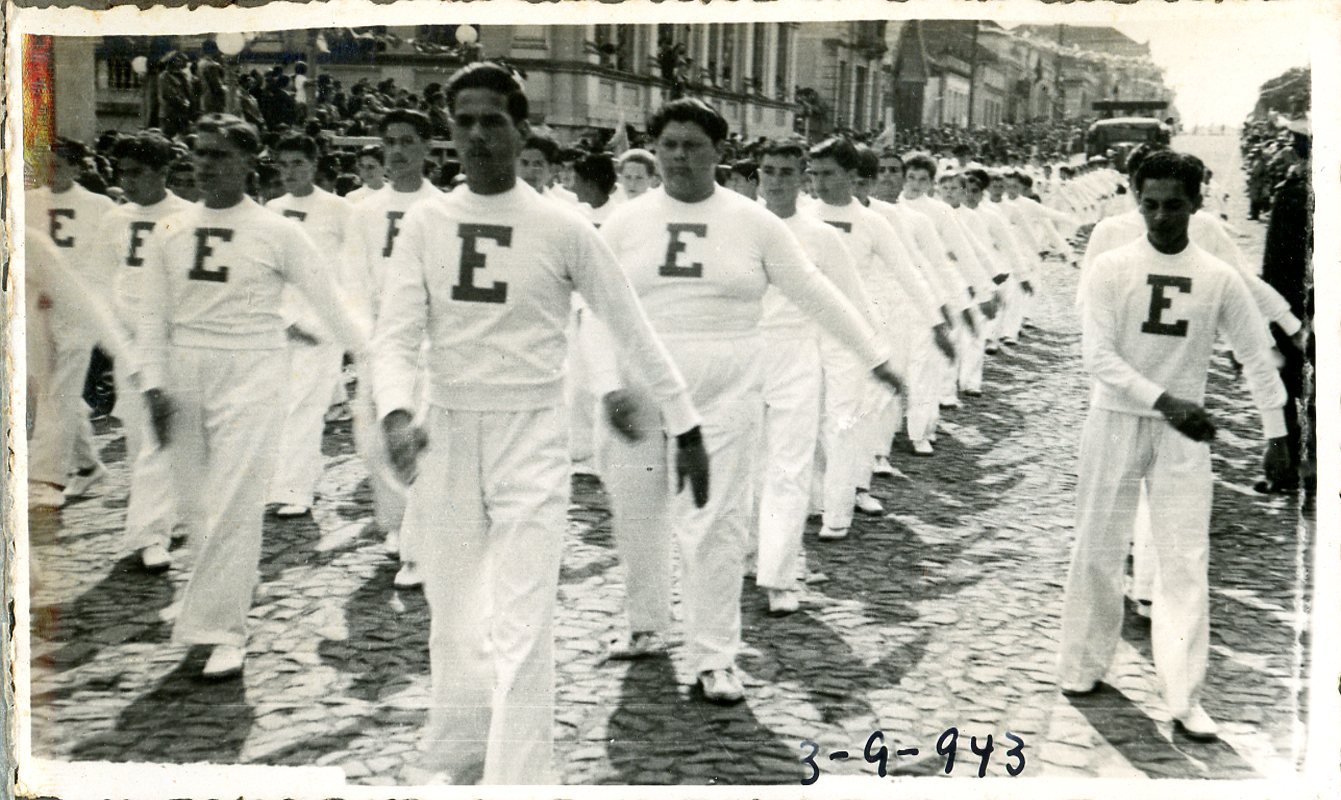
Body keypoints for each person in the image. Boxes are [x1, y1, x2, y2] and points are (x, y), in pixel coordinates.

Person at [371, 63, 707, 785]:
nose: (477, 135)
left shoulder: (561, 226)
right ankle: (460, 748)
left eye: (492, 120)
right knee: (453, 614)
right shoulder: (427, 223)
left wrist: (684, 423)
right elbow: (394, 333)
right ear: (449, 130)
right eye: (463, 121)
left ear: (522, 128)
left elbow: (631, 326)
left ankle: (517, 777)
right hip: (448, 427)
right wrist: (395, 411)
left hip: (531, 431)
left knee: (524, 616)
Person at [592, 100, 904, 704]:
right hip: (640, 391)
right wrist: (607, 384)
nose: (679, 156)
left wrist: (874, 355)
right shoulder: (625, 224)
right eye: (668, 145)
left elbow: (814, 290)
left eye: (693, 145)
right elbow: (595, 308)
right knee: (637, 515)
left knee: (716, 523)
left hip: (726, 390)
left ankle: (714, 656)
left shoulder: (753, 223)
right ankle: (646, 623)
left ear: (719, 151)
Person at [1058, 151, 1291, 740]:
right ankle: (1082, 664)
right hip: (1116, 421)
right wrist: (1165, 401)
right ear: (1136, 200)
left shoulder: (1217, 276)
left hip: (1183, 437)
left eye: (1174, 205)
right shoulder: (1111, 266)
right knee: (1097, 546)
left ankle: (1185, 695)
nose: (1161, 217)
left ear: (1196, 204)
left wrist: (1276, 433)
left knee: (1184, 559)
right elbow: (1098, 357)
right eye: (1151, 204)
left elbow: (1255, 355)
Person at [136, 113, 368, 679]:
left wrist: (376, 362)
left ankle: (225, 631)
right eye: (199, 152)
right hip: (186, 369)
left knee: (236, 502)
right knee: (195, 506)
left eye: (218, 154)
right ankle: (214, 603)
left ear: (247, 162)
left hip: (253, 369)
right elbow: (152, 315)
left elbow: (332, 302)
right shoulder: (170, 230)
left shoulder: (277, 231)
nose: (204, 164)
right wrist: (153, 383)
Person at [751, 139, 877, 613]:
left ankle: (780, 574)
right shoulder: (742, 225)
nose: (776, 181)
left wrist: (876, 357)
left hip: (796, 355)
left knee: (789, 466)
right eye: (768, 171)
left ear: (802, 177)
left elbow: (852, 300)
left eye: (787, 172)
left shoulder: (820, 236)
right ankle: (749, 552)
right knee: (746, 466)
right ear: (758, 176)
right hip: (743, 355)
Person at [344, 109, 442, 589]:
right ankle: (398, 521)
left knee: (421, 438)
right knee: (372, 441)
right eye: (390, 142)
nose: (398, 151)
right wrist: (365, 339)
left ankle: (419, 545)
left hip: (428, 342)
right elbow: (353, 280)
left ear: (427, 147)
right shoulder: (364, 211)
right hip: (380, 341)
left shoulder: (442, 208)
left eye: (407, 141)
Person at [89, 131, 195, 567]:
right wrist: (112, 333)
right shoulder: (115, 219)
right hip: (130, 340)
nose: (127, 181)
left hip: (174, 339)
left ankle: (155, 531)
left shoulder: (186, 216)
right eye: (122, 173)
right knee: (139, 434)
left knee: (167, 433)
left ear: (162, 171)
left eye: (137, 173)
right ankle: (158, 521)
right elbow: (100, 280)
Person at [264, 133, 354, 517]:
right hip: (280, 319)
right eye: (283, 165)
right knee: (280, 405)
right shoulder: (272, 208)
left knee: (306, 405)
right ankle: (292, 478)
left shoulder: (339, 209)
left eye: (298, 163)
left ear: (314, 165)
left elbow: (352, 267)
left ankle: (295, 489)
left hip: (320, 323)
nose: (289, 172)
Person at [26, 138, 118, 507]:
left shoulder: (100, 207)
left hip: (80, 309)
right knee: (50, 390)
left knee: (61, 390)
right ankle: (89, 466)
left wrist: (70, 292)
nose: (51, 173)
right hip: (39, 307)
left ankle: (48, 480)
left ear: (78, 168)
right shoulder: (28, 202)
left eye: (59, 166)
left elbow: (105, 261)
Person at [1256, 118, 1312, 495]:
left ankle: (1289, 468)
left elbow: (1277, 263)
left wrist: (1274, 315)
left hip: (1298, 309)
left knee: (1289, 385)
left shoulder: (1293, 193)